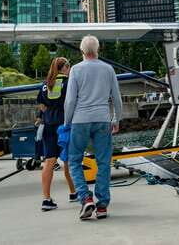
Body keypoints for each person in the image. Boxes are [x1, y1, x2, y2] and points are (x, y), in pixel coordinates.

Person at [65, 36, 122, 221]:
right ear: (98, 49)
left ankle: (85, 197)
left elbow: (71, 100)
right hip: (102, 119)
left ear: (82, 51)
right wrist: (116, 119)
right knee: (104, 161)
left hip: (80, 120)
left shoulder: (75, 69)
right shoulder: (108, 69)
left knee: (74, 160)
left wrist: (67, 122)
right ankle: (103, 205)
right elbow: (117, 97)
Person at [35, 56, 76, 211]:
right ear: (64, 68)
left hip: (48, 126)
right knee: (69, 160)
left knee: (49, 162)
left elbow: (42, 106)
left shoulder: (45, 85)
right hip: (63, 125)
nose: (70, 68)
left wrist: (43, 116)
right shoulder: (68, 83)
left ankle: (46, 199)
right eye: (69, 65)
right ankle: (74, 192)